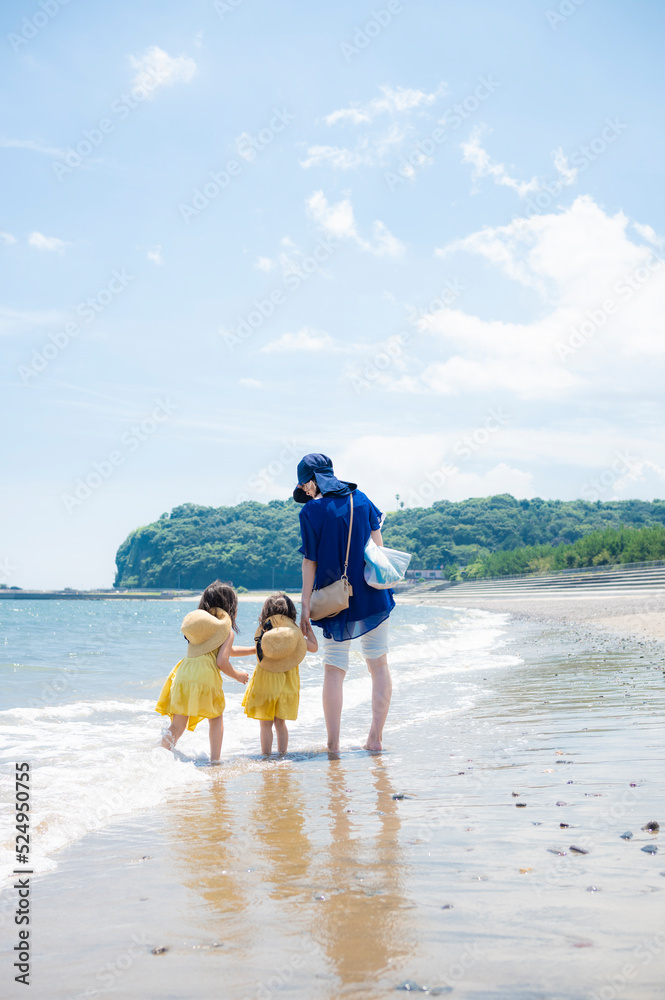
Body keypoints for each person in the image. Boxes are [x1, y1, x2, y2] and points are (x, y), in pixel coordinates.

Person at [294, 454, 394, 753]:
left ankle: (334, 745)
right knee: (378, 665)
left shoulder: (311, 511)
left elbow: (309, 563)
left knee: (334, 669)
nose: (306, 491)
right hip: (373, 592)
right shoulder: (362, 499)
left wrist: (305, 604)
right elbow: (378, 549)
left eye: (304, 485)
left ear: (312, 480)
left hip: (335, 600)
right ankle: (375, 739)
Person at [156, 580, 253, 763]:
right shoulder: (226, 631)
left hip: (184, 673)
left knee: (178, 724)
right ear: (230, 608)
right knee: (215, 718)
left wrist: (252, 650)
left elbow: (228, 650)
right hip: (206, 676)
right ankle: (215, 761)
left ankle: (160, 756)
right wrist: (238, 675)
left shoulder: (201, 630)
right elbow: (222, 661)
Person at [242, 592, 318, 754]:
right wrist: (306, 629)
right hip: (287, 683)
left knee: (265, 724)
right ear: (291, 614)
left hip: (265, 680)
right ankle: (282, 755)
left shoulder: (265, 633)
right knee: (280, 723)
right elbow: (314, 647)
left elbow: (257, 650)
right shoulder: (292, 638)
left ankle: (266, 756)